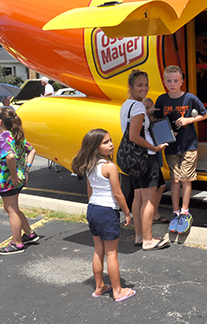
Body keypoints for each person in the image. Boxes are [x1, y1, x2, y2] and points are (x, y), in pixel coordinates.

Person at [71, 129, 136, 302]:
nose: (111, 144)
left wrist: (92, 205)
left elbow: (90, 189)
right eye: (105, 142)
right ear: (95, 147)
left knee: (99, 250)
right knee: (112, 253)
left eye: (110, 140)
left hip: (93, 208)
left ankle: (99, 286)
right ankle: (117, 290)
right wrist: (127, 212)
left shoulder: (90, 166)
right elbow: (118, 193)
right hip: (107, 211)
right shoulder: (110, 167)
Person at [154, 65, 207, 234]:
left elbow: (204, 114)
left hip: (189, 144)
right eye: (169, 81)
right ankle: (175, 212)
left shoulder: (190, 98)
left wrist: (189, 121)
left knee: (186, 179)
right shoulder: (162, 100)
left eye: (176, 81)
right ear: (164, 82)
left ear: (182, 82)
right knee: (175, 180)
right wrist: (167, 130)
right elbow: (157, 120)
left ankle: (185, 212)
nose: (172, 84)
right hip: (171, 145)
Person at [119, 69, 170, 250]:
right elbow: (134, 136)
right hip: (145, 158)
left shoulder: (127, 105)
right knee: (148, 199)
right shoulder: (139, 107)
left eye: (146, 84)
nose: (144, 88)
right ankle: (149, 239)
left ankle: (140, 236)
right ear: (131, 86)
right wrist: (155, 148)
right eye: (140, 85)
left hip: (134, 159)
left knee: (138, 197)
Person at [0, 107, 39, 255]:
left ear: (0, 122)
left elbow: (10, 156)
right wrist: (26, 170)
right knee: (15, 208)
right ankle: (29, 233)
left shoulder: (2, 138)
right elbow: (32, 150)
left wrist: (12, 174)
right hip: (20, 178)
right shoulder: (16, 135)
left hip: (9, 180)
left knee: (11, 210)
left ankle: (17, 243)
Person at [142, 97, 169, 224]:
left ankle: (153, 212)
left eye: (151, 107)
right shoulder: (142, 120)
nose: (150, 110)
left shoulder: (152, 119)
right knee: (156, 186)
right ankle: (153, 213)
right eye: (147, 108)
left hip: (155, 153)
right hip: (149, 154)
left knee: (160, 185)